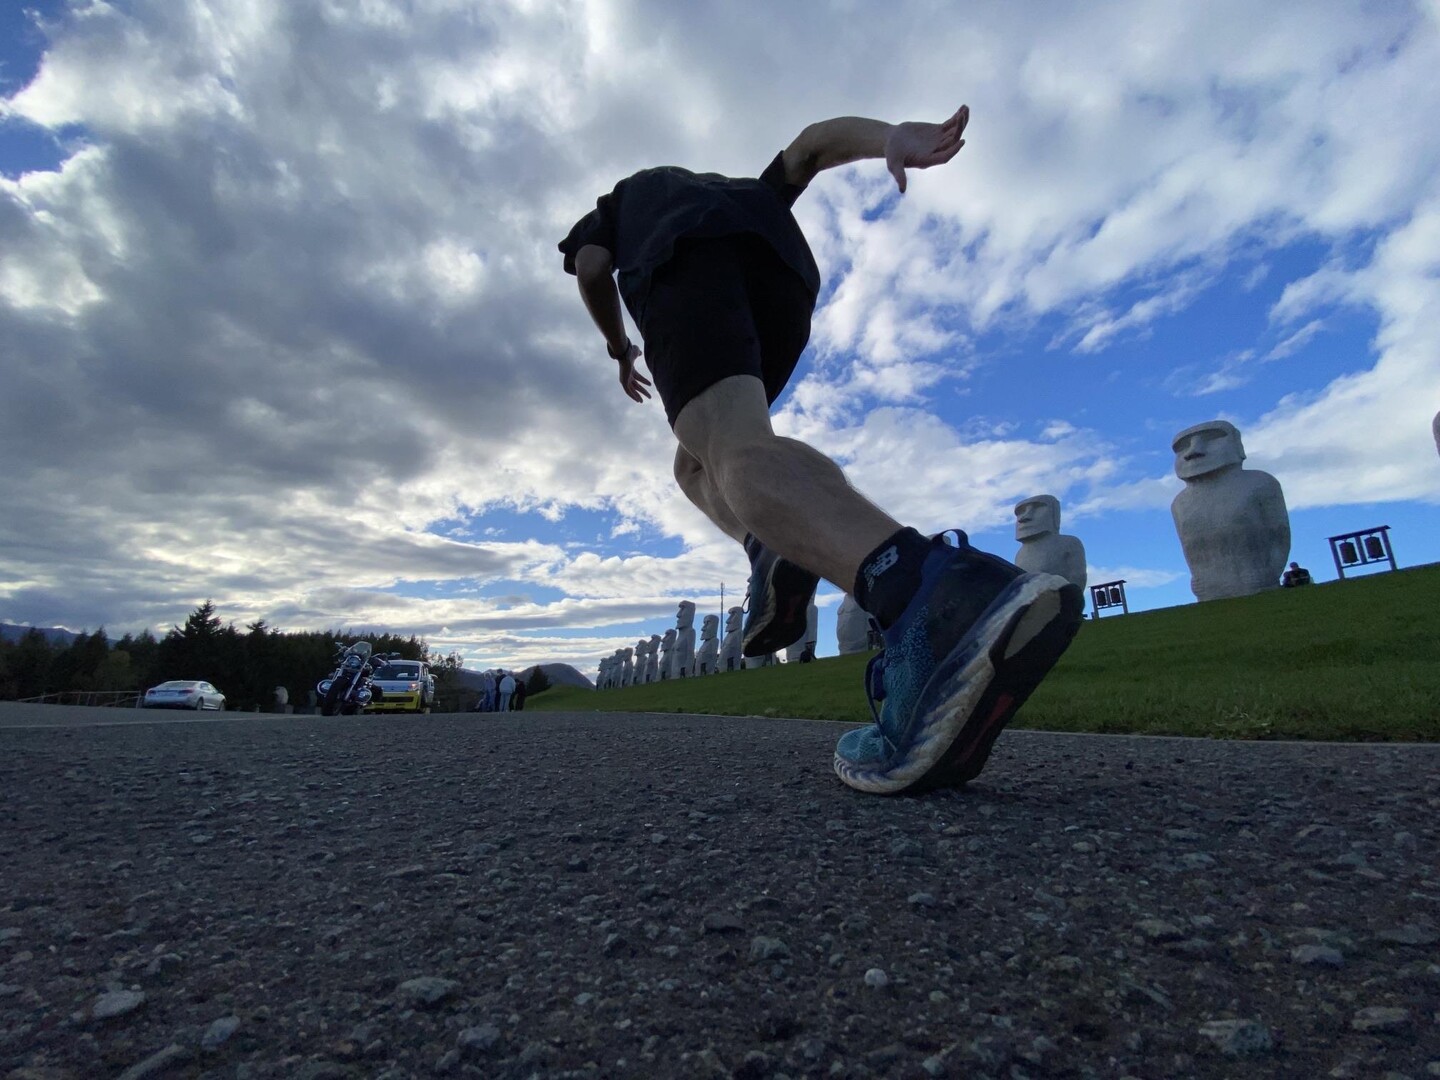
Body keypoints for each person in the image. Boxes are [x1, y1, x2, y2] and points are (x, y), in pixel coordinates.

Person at [560, 104, 1083, 794]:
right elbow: (809, 147)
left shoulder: (634, 201)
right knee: (698, 460)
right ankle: (769, 545)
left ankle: (923, 593)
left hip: (683, 267)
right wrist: (891, 139)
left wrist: (617, 345)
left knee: (730, 446)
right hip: (782, 283)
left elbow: (594, 265)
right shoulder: (747, 194)